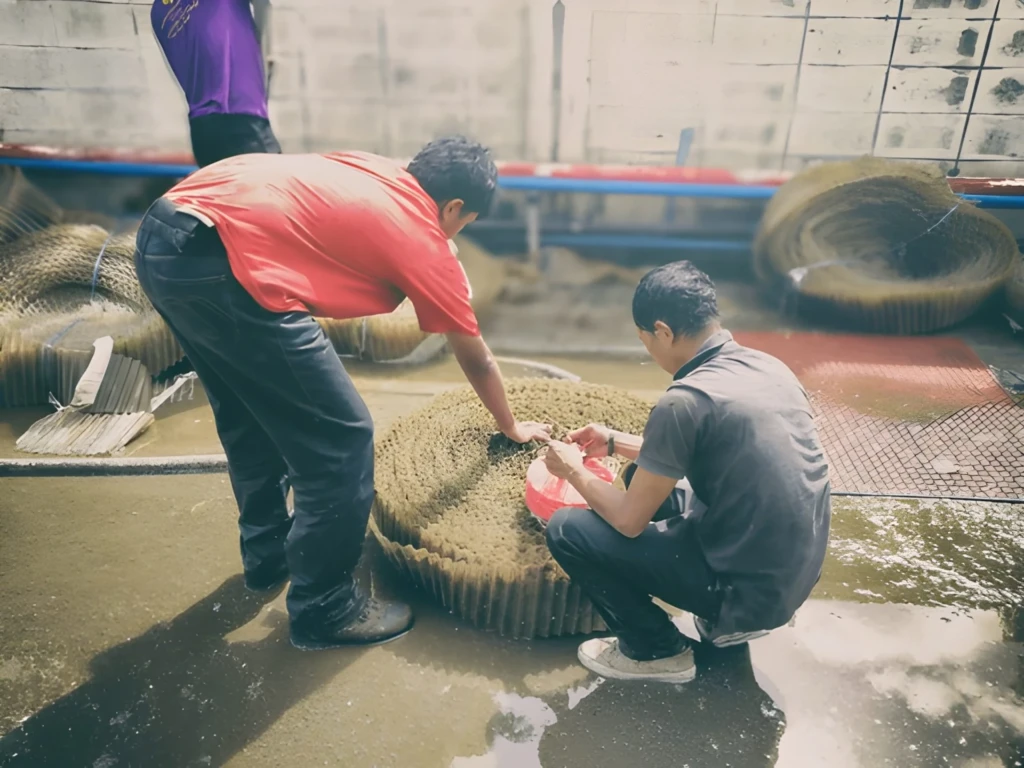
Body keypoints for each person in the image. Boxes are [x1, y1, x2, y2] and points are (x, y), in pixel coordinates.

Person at [133, 136, 551, 651]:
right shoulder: (422, 237)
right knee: (343, 439)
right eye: (465, 222)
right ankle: (325, 606)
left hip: (166, 236)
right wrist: (511, 425)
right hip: (226, 265)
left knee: (246, 410)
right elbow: (476, 355)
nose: (459, 233)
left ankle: (268, 556)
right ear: (454, 207)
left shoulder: (376, 170)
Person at [542, 261, 831, 683]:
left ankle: (656, 650)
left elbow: (627, 521)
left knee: (567, 530)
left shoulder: (684, 400)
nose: (650, 353)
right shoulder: (768, 368)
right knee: (640, 474)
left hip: (746, 595)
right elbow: (719, 448)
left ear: (663, 331)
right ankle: (727, 614)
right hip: (790, 576)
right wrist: (613, 441)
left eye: (646, 342)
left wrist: (572, 470)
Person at [151, 0, 281, 168]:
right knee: (272, 190)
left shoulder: (158, 13)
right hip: (242, 121)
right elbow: (265, 5)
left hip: (202, 132)